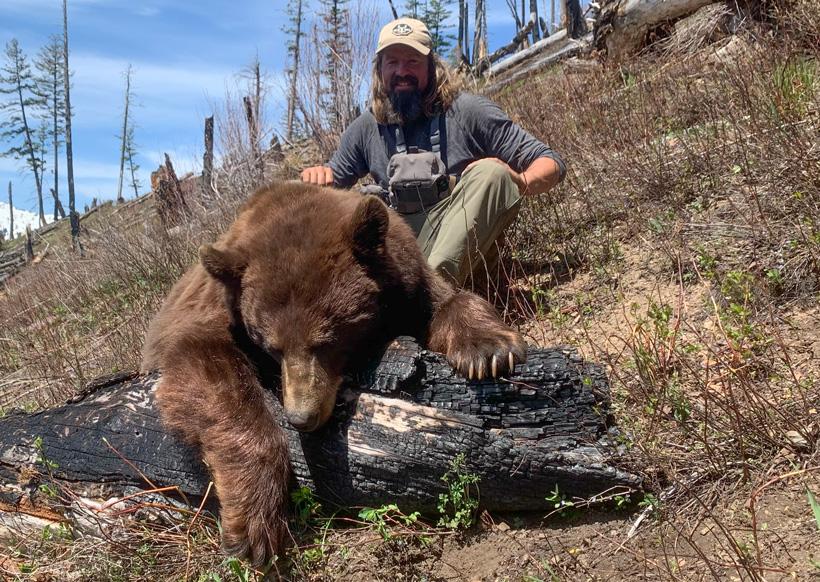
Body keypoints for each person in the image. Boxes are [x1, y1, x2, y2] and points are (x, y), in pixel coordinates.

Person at [301, 17, 565, 285]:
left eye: (412, 61)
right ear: (379, 69)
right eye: (392, 62)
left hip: (462, 247)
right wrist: (319, 177)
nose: (402, 71)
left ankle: (434, 291)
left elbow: (551, 162)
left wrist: (519, 181)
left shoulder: (469, 112)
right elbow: (331, 183)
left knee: (492, 174)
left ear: (432, 65)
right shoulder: (366, 127)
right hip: (399, 251)